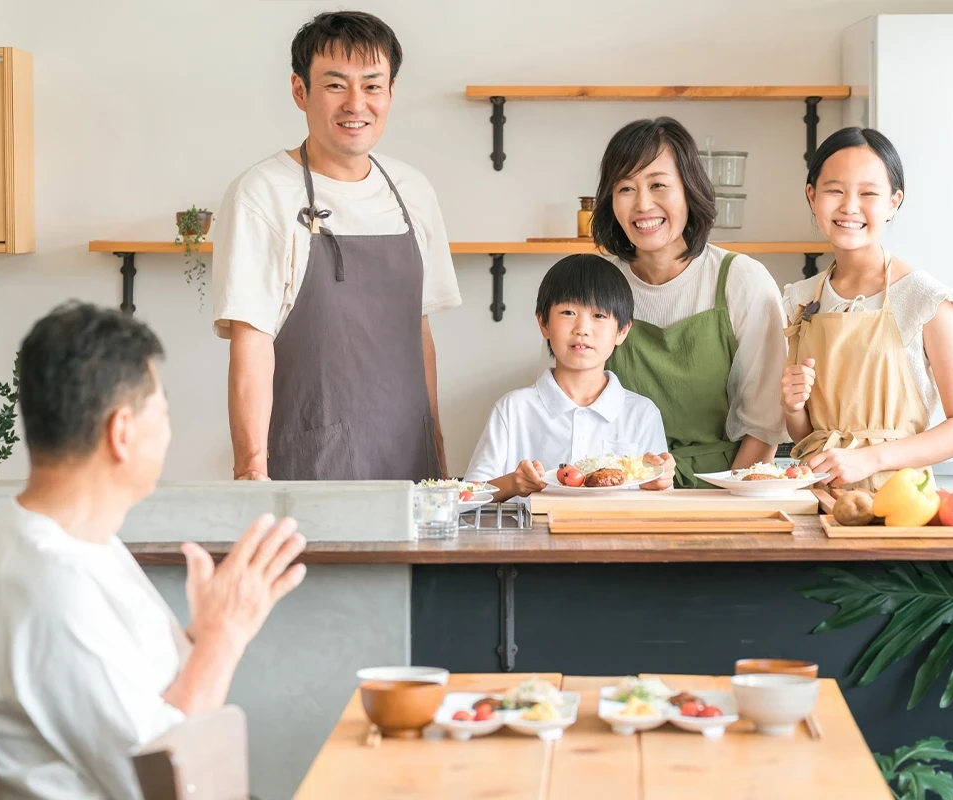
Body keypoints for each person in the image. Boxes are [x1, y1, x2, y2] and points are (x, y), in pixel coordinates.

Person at [0, 302, 306, 799]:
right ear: (122, 433)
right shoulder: (47, 582)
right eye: (164, 411)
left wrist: (204, 633)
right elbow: (164, 785)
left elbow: (149, 706)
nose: (169, 430)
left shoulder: (56, 540)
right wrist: (224, 637)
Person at [213, 10, 461, 482]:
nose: (356, 104)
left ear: (390, 94)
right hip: (311, 461)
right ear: (299, 91)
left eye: (372, 85)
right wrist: (250, 472)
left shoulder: (413, 189)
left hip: (409, 461)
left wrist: (439, 449)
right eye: (335, 85)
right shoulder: (262, 193)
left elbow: (419, 332)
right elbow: (251, 342)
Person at [781, 127, 953, 491]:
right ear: (812, 196)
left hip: (900, 502)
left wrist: (870, 458)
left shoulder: (925, 300)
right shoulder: (801, 298)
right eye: (834, 190)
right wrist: (794, 408)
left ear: (893, 202)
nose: (849, 206)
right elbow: (808, 433)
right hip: (817, 497)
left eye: (869, 193)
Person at [593, 117, 788, 488]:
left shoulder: (741, 280)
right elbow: (561, 404)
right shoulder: (594, 284)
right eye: (625, 188)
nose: (643, 204)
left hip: (719, 487)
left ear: (689, 190)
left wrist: (720, 507)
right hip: (618, 490)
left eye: (658, 185)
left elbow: (763, 428)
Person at [465, 255, 674, 502]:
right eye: (568, 312)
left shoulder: (642, 413)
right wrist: (514, 483)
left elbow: (661, 503)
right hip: (531, 539)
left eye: (599, 316)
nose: (582, 328)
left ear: (622, 331)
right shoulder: (513, 409)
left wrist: (659, 481)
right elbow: (469, 495)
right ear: (543, 323)